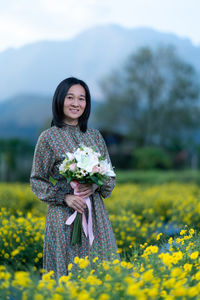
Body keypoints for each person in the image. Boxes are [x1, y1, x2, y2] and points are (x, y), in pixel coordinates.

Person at [30, 77, 119, 282]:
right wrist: (65, 197)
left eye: (82, 98)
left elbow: (110, 179)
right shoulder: (48, 137)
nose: (76, 103)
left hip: (94, 214)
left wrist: (94, 184)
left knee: (101, 271)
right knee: (67, 276)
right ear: (60, 100)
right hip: (62, 216)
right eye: (70, 97)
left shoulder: (95, 136)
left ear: (86, 104)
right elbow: (37, 180)